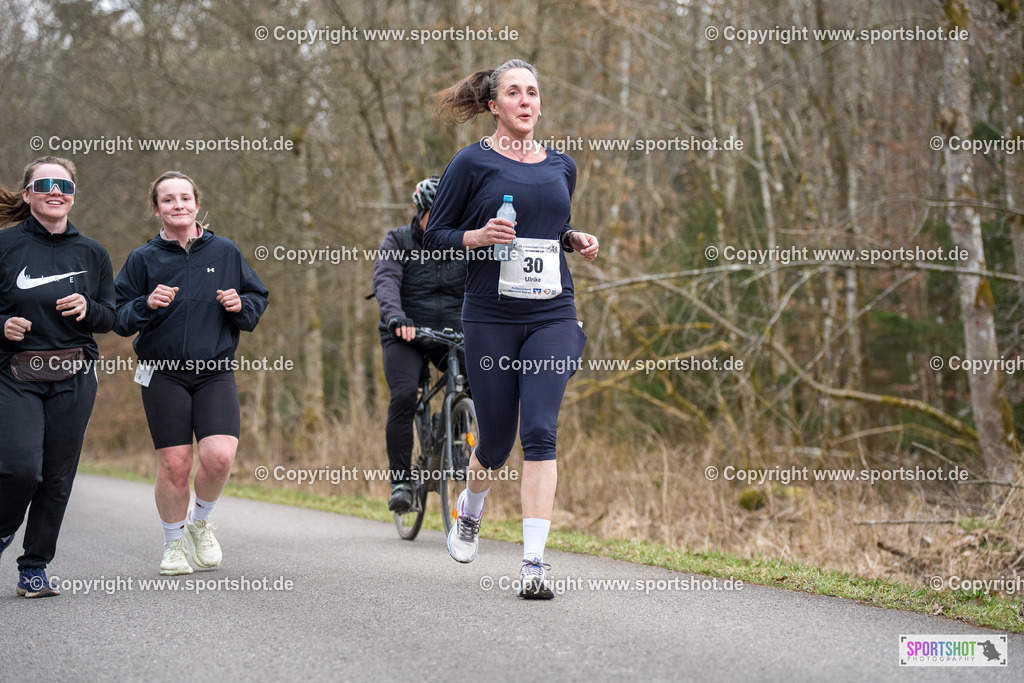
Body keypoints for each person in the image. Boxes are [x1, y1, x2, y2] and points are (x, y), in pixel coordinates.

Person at [423, 59, 599, 598]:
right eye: (514, 93)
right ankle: (469, 509)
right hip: (491, 316)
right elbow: (434, 239)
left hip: (552, 312)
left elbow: (550, 225)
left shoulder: (563, 165)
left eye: (533, 93)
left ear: (541, 104)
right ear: (494, 105)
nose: (525, 101)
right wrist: (475, 238)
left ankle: (533, 566)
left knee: (540, 430)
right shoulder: (470, 163)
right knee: (495, 442)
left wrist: (572, 239)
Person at [114, 171, 268, 576]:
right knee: (175, 464)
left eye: (185, 197)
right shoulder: (143, 259)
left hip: (214, 369)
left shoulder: (226, 252)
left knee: (218, 458)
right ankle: (172, 545)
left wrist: (240, 304)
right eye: (168, 200)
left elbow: (257, 297)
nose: (177, 204)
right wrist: (146, 303)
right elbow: (117, 316)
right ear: (156, 210)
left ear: (197, 204)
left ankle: (200, 523)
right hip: (162, 372)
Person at [0, 156, 115, 597]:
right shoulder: (6, 247)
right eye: (45, 183)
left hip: (74, 373)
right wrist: (2, 326)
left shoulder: (92, 252)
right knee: (18, 468)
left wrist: (90, 308)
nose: (56, 191)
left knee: (57, 476)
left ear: (73, 196)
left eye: (64, 186)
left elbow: (113, 315)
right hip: (15, 373)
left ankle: (34, 567)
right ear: (28, 193)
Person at [372, 175, 468, 513]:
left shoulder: (465, 242)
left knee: (478, 378)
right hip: (406, 333)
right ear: (422, 212)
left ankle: (457, 433)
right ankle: (401, 482)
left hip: (453, 333)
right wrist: (396, 317)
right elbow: (386, 280)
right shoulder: (398, 240)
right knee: (403, 396)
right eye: (437, 213)